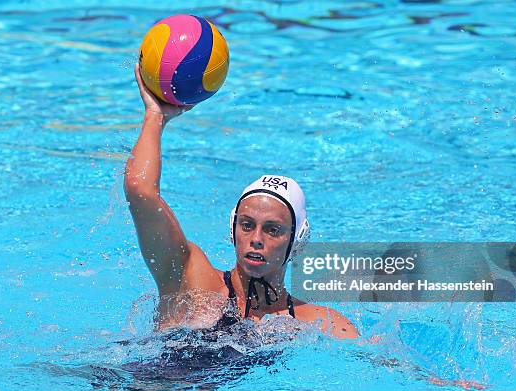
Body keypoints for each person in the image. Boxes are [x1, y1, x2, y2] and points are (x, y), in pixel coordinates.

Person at [124, 63, 359, 340]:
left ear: (297, 241)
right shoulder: (192, 280)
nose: (256, 239)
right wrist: (155, 116)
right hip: (141, 382)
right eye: (247, 225)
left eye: (273, 229)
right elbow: (140, 191)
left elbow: (382, 361)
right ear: (232, 229)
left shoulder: (318, 322)